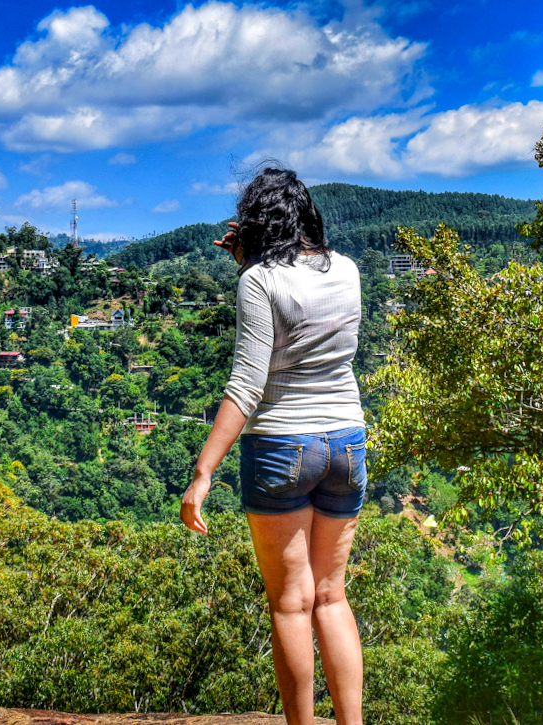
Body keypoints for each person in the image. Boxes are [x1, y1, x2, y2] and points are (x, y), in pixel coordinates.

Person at [180, 167, 366, 725]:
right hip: (347, 444)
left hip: (283, 447)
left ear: (256, 223)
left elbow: (248, 382)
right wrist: (253, 262)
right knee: (331, 597)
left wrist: (203, 472)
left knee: (291, 602)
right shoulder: (349, 270)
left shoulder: (259, 279)